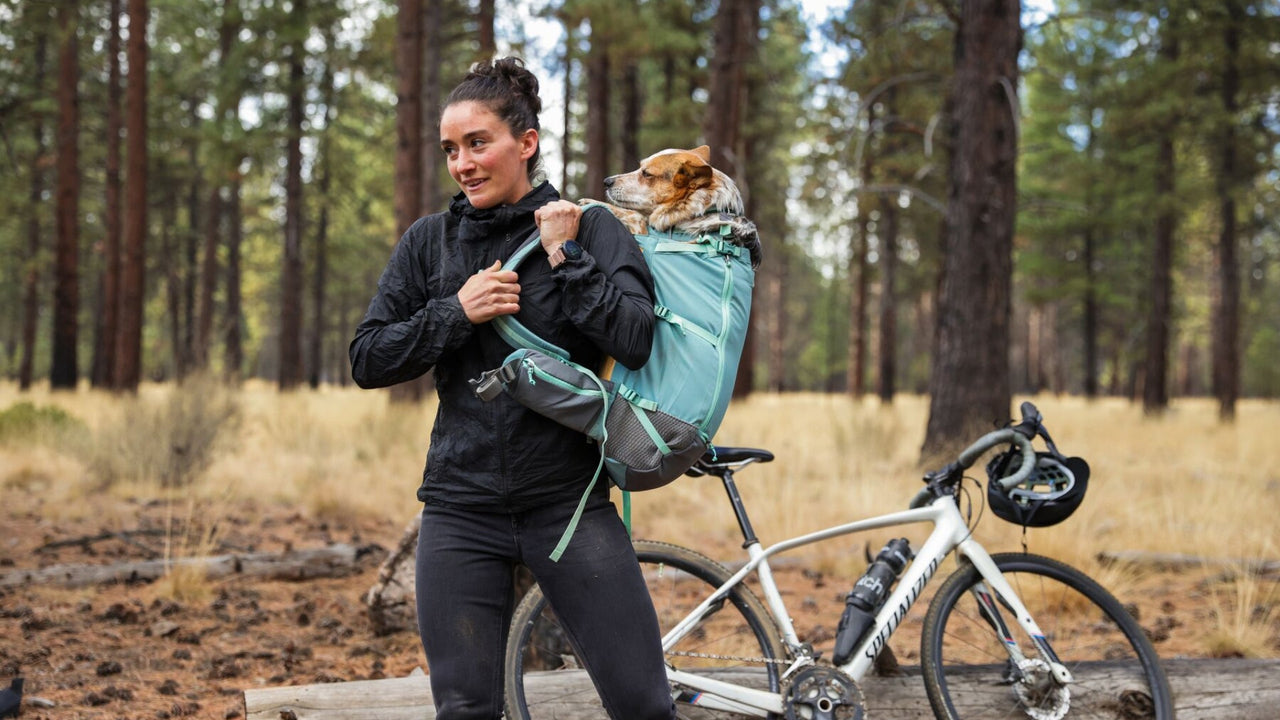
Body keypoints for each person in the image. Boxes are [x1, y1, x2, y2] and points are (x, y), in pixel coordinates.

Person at [349, 57, 676, 720]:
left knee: (644, 706)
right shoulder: (430, 244)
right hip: (459, 512)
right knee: (467, 709)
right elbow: (368, 357)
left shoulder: (590, 226)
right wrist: (454, 311)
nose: (463, 164)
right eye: (451, 150)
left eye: (478, 143)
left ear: (525, 142)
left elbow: (636, 339)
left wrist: (567, 258)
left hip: (569, 507)